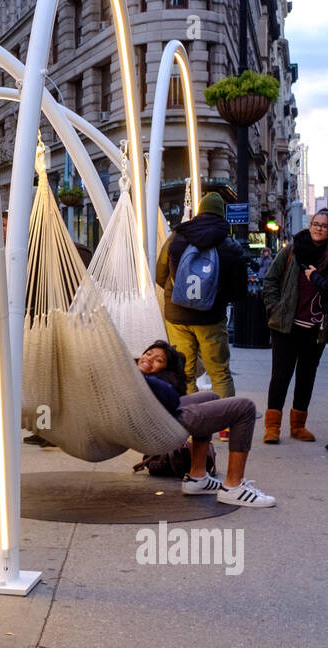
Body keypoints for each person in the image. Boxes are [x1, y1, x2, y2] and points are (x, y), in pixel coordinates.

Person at [137, 340, 276, 507]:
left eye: (158, 360)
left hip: (159, 413)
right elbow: (170, 398)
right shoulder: (132, 375)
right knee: (245, 407)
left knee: (210, 397)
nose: (148, 359)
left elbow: (171, 397)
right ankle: (233, 487)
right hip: (158, 423)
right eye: (149, 353)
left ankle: (198, 477)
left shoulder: (143, 379)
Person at [156, 192, 248, 397]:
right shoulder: (229, 245)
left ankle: (190, 426)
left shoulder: (177, 236)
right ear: (220, 214)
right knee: (220, 373)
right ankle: (224, 425)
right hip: (211, 318)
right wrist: (217, 298)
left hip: (177, 316)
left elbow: (160, 275)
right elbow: (240, 291)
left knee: (184, 374)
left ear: (199, 212)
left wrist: (177, 294)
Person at [261, 210, 328, 442]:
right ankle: (272, 427)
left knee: (306, 377)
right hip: (286, 326)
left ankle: (298, 426)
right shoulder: (292, 250)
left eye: (324, 226)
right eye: (315, 224)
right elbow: (270, 279)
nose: (318, 228)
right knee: (280, 376)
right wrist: (274, 307)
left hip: (316, 329)